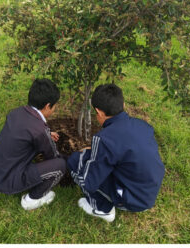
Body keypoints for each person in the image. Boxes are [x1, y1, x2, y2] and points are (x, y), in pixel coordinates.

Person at [69, 84, 165, 223]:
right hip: (148, 191)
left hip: (132, 200)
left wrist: (83, 158)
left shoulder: (105, 139)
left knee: (76, 161)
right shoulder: (142, 125)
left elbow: (90, 181)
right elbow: (124, 150)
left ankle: (103, 210)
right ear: (123, 104)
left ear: (99, 112)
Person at [0, 78, 67, 211]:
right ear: (48, 106)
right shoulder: (39, 130)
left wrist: (46, 133)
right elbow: (52, 156)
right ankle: (32, 199)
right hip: (9, 181)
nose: (55, 108)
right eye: (55, 106)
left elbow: (27, 132)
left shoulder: (16, 113)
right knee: (60, 166)